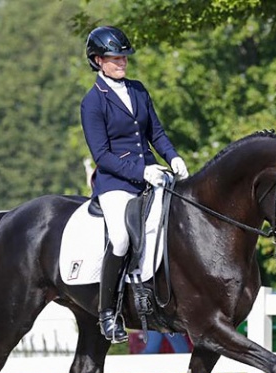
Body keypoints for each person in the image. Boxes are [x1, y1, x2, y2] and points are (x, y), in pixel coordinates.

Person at [81, 26, 189, 343]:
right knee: (120, 240)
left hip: (152, 173)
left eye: (124, 57)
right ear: (98, 60)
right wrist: (142, 171)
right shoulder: (92, 102)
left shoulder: (138, 90)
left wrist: (173, 157)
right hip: (115, 182)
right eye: (115, 58)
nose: (122, 62)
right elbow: (101, 155)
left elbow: (156, 133)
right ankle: (107, 313)